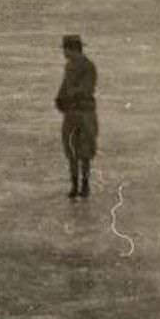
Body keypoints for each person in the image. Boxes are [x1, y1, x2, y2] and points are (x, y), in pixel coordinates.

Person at [55, 35, 98, 199]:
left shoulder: (88, 66)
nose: (64, 53)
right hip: (72, 113)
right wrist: (60, 97)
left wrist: (70, 96)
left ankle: (84, 185)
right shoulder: (69, 66)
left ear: (72, 49)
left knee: (85, 150)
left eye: (65, 49)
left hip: (84, 112)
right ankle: (75, 185)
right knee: (71, 150)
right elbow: (64, 85)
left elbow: (87, 88)